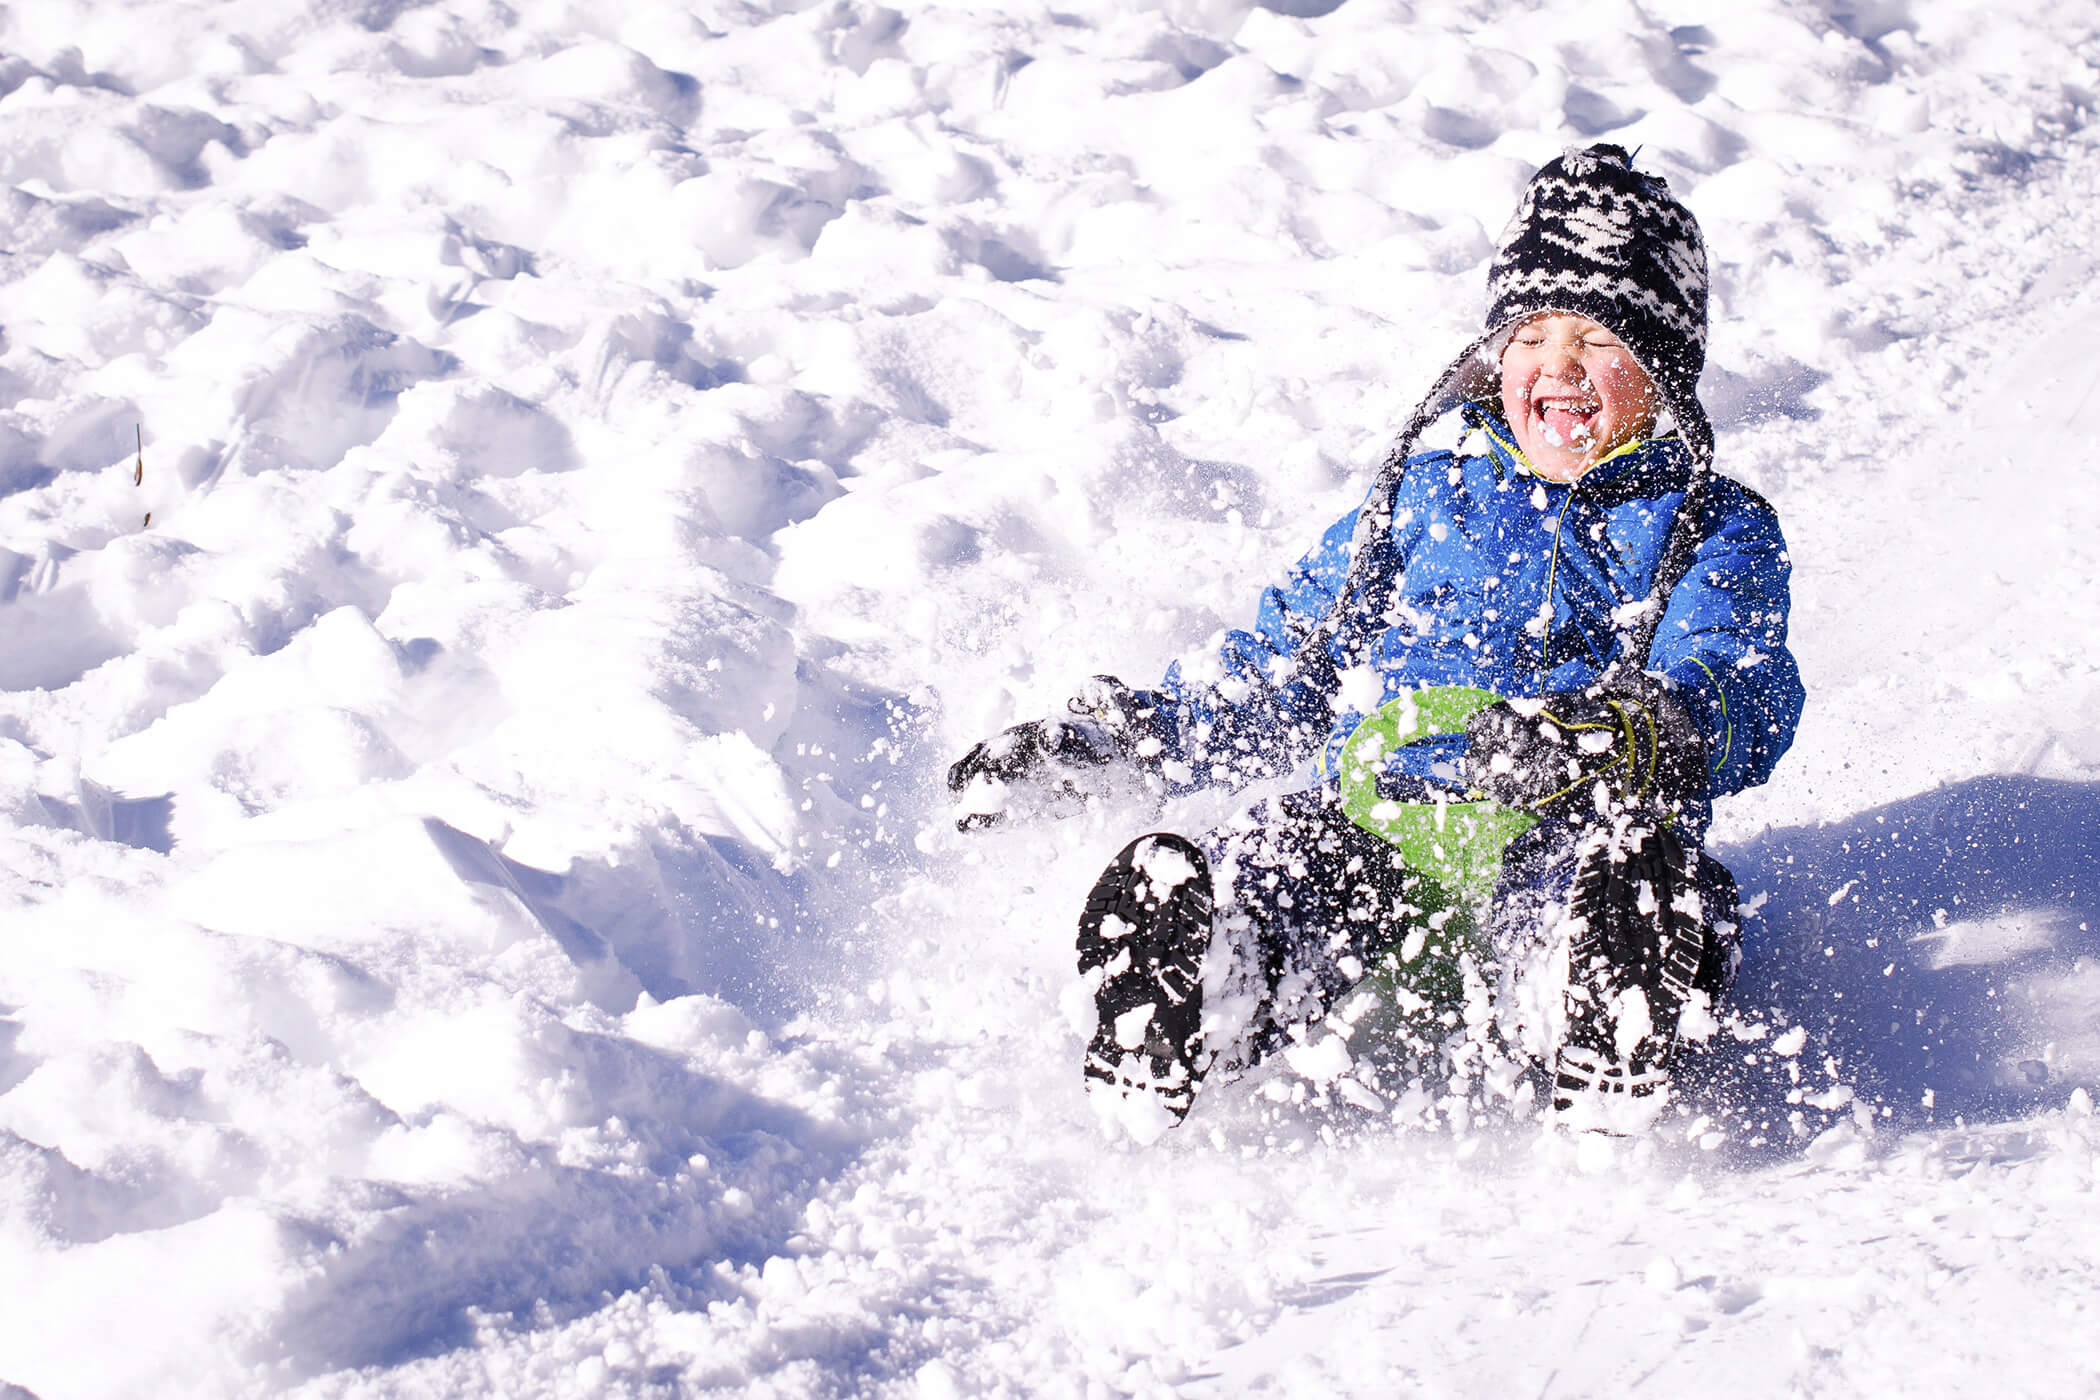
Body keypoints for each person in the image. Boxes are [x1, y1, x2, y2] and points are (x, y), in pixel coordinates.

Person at [947, 145, 1804, 1135]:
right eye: (1531, 335)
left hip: (1566, 828)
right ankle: (1199, 972)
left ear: (1662, 374)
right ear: (1493, 359)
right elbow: (1283, 669)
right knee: (1281, 853)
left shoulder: (1713, 525)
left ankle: (1603, 993)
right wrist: (1126, 734)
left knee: (1643, 875)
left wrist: (1640, 730)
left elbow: (1744, 678)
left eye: (1597, 339)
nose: (1558, 364)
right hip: (1381, 822)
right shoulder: (1422, 504)